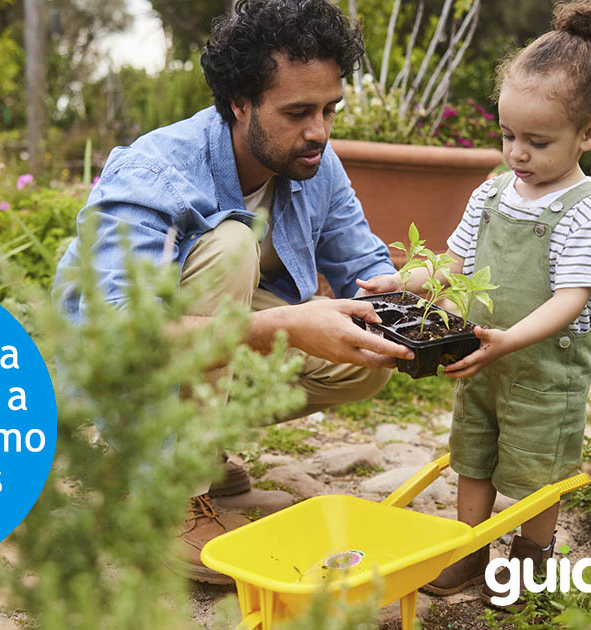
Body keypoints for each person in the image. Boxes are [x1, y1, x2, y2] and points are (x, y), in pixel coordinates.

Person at [51, 0, 412, 584]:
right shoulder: (159, 170)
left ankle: (197, 443)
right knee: (231, 245)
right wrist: (287, 327)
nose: (319, 132)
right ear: (240, 103)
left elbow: (363, 268)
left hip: (207, 338)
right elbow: (116, 338)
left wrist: (415, 302)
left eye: (329, 109)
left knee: (365, 357)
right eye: (298, 112)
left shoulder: (314, 161)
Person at [358, 0, 591, 607]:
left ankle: (531, 560)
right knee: (472, 455)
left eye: (537, 141)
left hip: (543, 375)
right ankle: (469, 547)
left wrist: (509, 340)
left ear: (589, 134)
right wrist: (403, 279)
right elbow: (454, 262)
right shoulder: (491, 193)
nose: (517, 154)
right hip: (479, 357)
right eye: (507, 136)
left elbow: (570, 299)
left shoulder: (587, 213)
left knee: (539, 472)